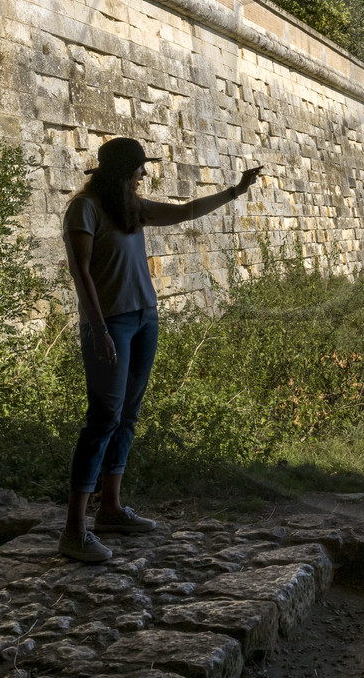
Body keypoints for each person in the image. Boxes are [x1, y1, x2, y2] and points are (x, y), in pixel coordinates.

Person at [60, 136, 261, 562]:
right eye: (139, 168)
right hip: (110, 324)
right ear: (121, 171)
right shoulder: (86, 208)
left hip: (143, 320)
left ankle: (111, 509)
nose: (144, 175)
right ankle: (74, 530)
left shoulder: (132, 207)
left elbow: (186, 212)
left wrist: (234, 192)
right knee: (102, 420)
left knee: (127, 417)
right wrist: (98, 329)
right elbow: (81, 272)